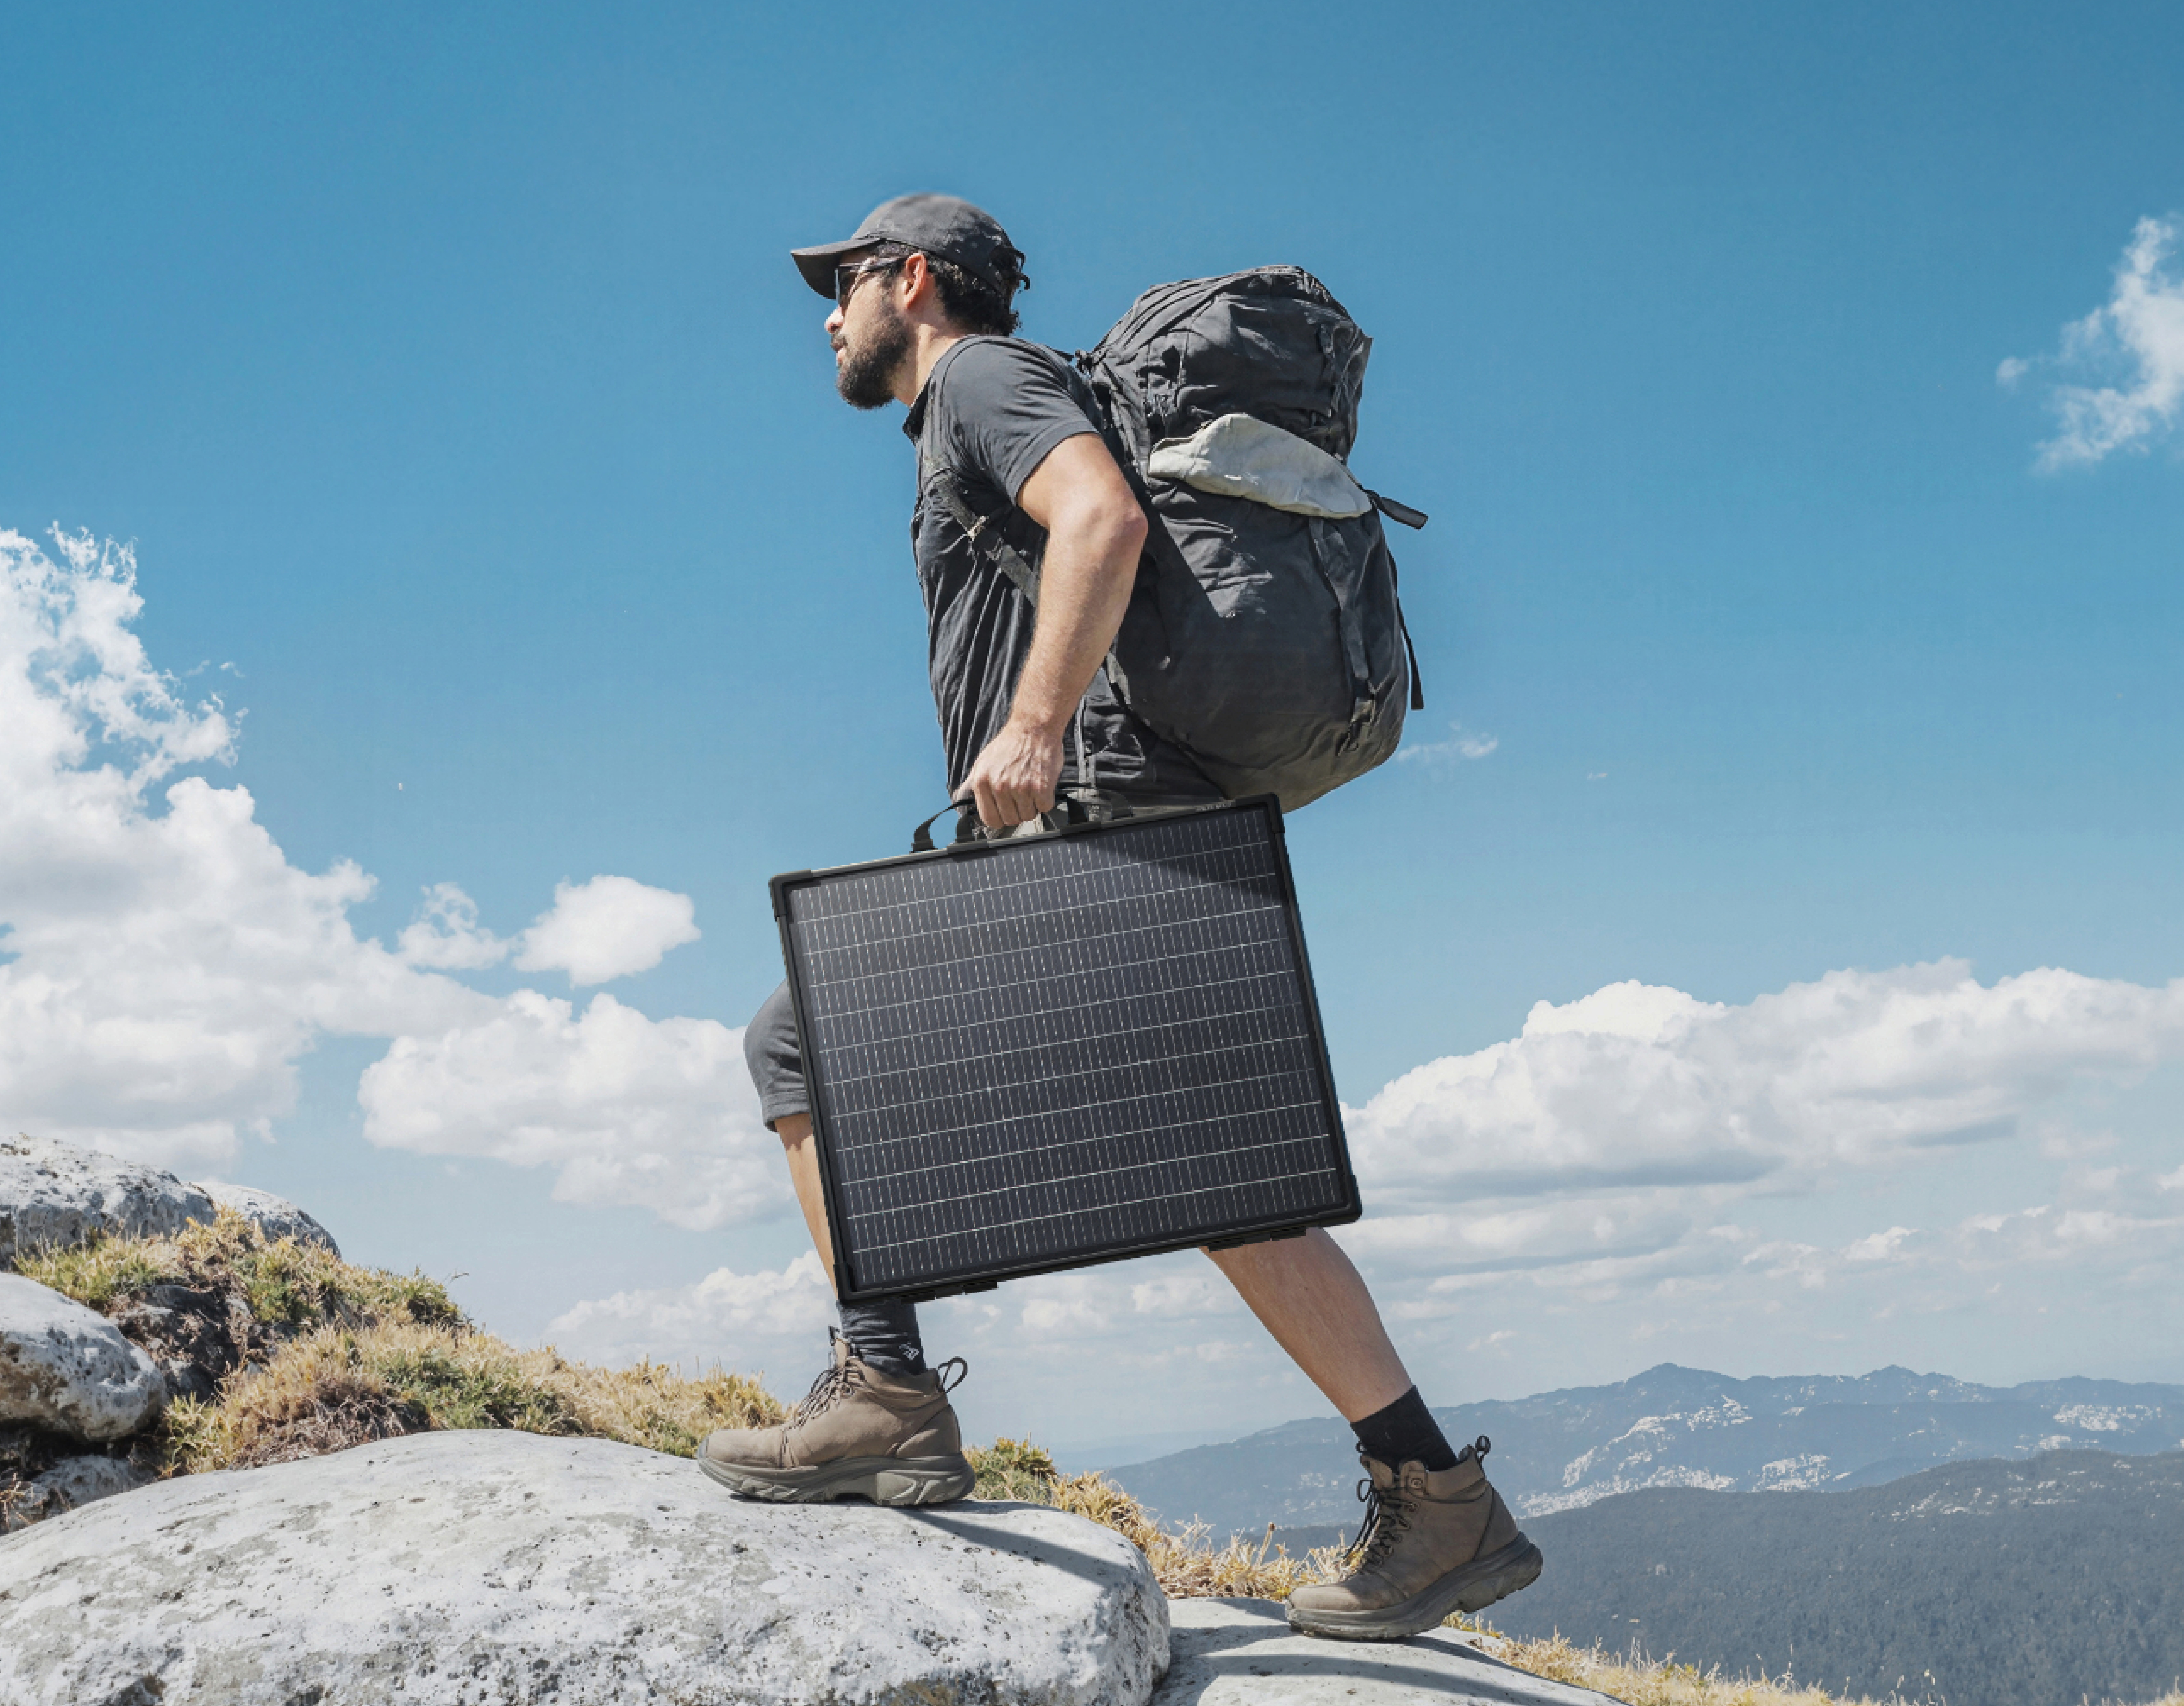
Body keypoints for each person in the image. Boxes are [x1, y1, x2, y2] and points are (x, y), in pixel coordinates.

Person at [697, 193, 1541, 1640]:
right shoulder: (992, 397)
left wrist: (1028, 729)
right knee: (1225, 1169)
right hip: (1143, 801)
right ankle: (1432, 1490)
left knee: (804, 1042)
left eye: (841, 283)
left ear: (914, 280)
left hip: (1092, 797)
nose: (827, 314)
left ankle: (884, 1386)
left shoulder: (979, 379)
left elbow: (1099, 514)